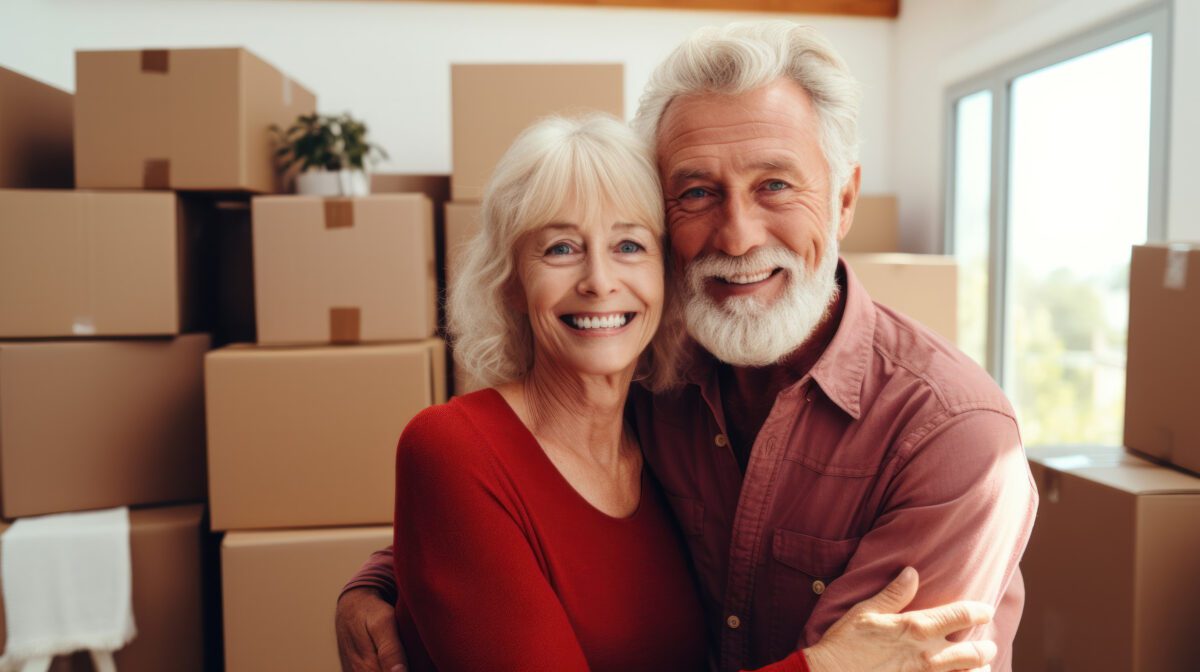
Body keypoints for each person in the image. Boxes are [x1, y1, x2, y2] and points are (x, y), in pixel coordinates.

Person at [340, 20, 1036, 672]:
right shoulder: (655, 375)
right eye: (699, 193)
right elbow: (517, 501)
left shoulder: (952, 435)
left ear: (844, 200)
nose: (737, 236)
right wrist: (381, 586)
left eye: (774, 185)